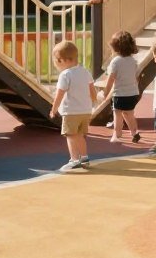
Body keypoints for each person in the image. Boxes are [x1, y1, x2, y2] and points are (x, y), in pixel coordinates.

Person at [48, 40, 96, 173]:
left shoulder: (65, 75)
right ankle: (84, 157)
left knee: (70, 135)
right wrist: (93, 102)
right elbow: (92, 89)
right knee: (80, 135)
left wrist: (54, 109)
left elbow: (60, 94)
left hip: (71, 111)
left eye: (56, 62)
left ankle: (74, 160)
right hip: (86, 110)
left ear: (61, 60)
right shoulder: (85, 71)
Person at [99, 30, 142, 144]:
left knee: (117, 114)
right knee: (129, 114)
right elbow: (136, 77)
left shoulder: (116, 62)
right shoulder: (133, 61)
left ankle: (116, 134)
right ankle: (134, 132)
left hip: (120, 93)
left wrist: (105, 92)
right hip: (132, 93)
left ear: (116, 48)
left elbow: (111, 79)